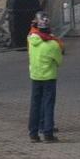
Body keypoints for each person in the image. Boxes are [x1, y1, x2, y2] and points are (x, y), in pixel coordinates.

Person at [28, 12, 63, 143]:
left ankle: (33, 133)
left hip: (35, 76)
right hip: (49, 77)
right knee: (48, 105)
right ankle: (48, 133)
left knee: (35, 105)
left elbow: (32, 33)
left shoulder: (31, 40)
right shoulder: (53, 45)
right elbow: (59, 61)